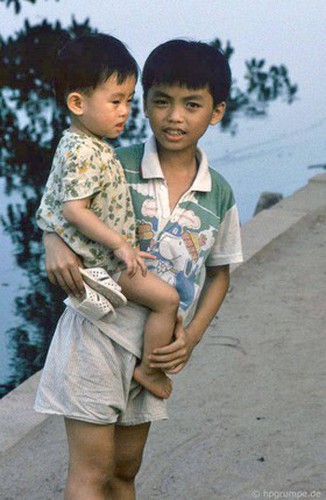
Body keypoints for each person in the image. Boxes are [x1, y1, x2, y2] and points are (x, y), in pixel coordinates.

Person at [35, 39, 243, 499]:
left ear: (216, 111)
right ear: (143, 103)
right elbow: (63, 203)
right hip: (98, 333)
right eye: (161, 101)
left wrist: (191, 337)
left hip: (154, 349)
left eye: (192, 105)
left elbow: (220, 273)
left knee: (125, 472)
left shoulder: (220, 195)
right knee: (93, 471)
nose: (174, 116)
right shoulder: (112, 161)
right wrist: (51, 241)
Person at [36, 33, 179, 400]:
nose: (125, 111)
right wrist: (120, 245)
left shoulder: (79, 143)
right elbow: (72, 209)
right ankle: (150, 370)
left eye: (130, 101)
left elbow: (51, 203)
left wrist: (50, 233)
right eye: (115, 101)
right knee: (166, 300)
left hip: (103, 261)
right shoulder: (85, 151)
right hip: (106, 265)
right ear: (77, 102)